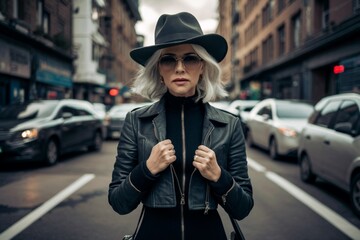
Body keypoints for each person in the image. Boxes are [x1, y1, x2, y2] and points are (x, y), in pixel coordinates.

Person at [108, 12, 254, 240]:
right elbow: (118, 202)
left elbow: (243, 208)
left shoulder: (229, 125)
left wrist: (218, 176)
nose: (179, 68)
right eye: (168, 59)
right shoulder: (137, 122)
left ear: (203, 66)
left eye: (190, 58)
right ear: (158, 70)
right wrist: (147, 169)